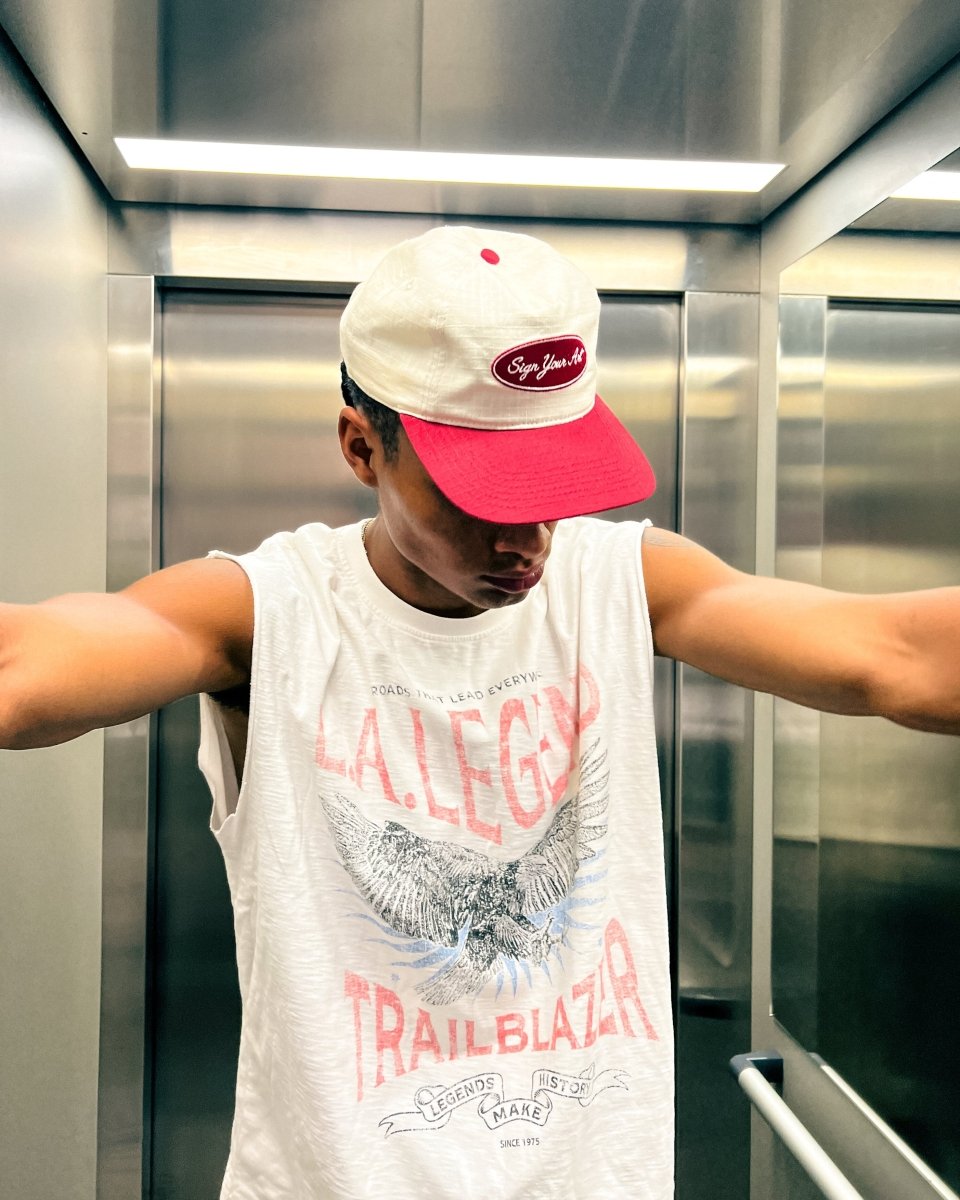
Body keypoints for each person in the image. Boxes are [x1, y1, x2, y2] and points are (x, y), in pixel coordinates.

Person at [1, 225, 958, 1200]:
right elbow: (30, 665)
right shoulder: (269, 608)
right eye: (481, 495)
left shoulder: (622, 582)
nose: (527, 537)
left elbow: (895, 655)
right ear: (361, 447)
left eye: (554, 485)